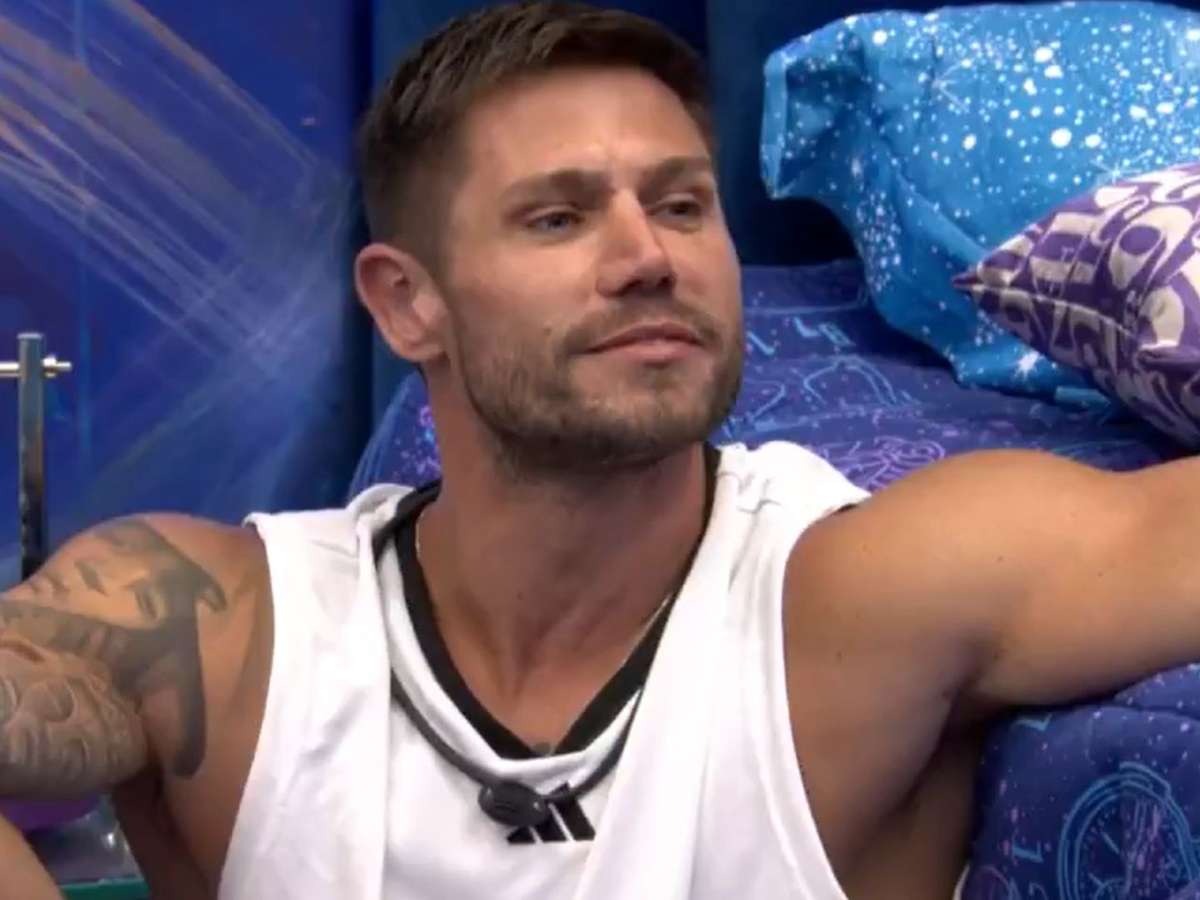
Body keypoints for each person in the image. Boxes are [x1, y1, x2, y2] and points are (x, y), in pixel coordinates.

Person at [0, 1, 1197, 897]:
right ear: (409, 304)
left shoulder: (864, 599)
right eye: (559, 217)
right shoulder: (218, 623)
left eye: (681, 205)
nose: (648, 258)